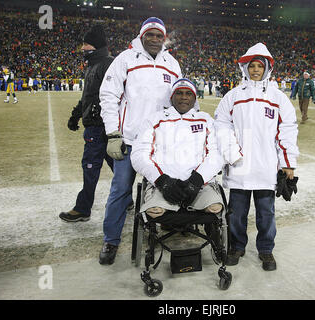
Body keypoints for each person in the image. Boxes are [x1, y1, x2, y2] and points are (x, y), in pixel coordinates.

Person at [98, 17, 182, 265]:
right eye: (151, 35)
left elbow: (179, 101)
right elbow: (109, 95)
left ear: (164, 38)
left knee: (162, 188)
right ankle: (110, 240)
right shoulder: (125, 58)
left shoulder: (172, 63)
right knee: (121, 190)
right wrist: (113, 133)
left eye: (159, 36)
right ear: (142, 36)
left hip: (159, 142)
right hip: (130, 140)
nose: (155, 40)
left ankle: (162, 228)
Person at [214, 43, 299, 271]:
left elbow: (287, 131)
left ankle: (266, 250)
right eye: (251, 66)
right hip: (239, 164)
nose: (255, 70)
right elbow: (221, 125)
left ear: (267, 69)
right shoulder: (233, 96)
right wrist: (231, 152)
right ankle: (237, 246)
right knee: (237, 212)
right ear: (245, 68)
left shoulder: (278, 98)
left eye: (259, 66)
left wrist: (288, 163)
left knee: (266, 213)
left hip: (266, 165)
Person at [131, 78, 224, 220]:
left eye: (188, 93)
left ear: (194, 98)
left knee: (215, 208)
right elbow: (140, 154)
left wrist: (198, 180)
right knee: (154, 210)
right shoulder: (154, 120)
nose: (184, 97)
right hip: (163, 186)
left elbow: (216, 153)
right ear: (172, 97)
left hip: (199, 185)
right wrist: (162, 181)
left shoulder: (205, 120)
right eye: (179, 93)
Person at [59, 25, 115, 222]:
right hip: (97, 124)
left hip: (101, 126)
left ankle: (83, 208)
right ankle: (125, 200)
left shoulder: (107, 64)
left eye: (86, 43)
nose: (82, 48)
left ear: (96, 45)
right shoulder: (94, 65)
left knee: (90, 166)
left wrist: (98, 116)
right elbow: (88, 96)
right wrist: (76, 114)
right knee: (115, 164)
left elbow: (112, 95)